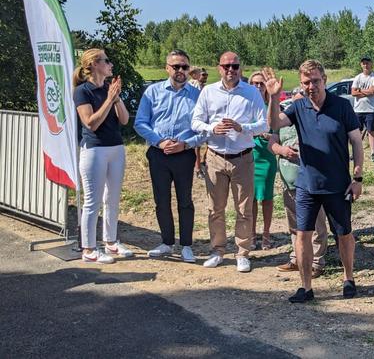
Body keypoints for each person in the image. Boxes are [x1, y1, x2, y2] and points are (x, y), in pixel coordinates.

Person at [266, 60, 363, 303]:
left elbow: (357, 143)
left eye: (316, 81)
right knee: (303, 235)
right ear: (301, 84)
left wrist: (358, 177)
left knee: (344, 233)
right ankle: (306, 287)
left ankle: (348, 278)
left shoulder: (341, 106)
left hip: (338, 184)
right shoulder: (298, 107)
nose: (312, 86)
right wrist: (273, 98)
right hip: (307, 184)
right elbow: (273, 124)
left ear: (325, 80)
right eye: (306, 82)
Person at [191, 51, 268, 272]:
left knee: (244, 209)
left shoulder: (251, 92)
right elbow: (196, 122)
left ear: (240, 68)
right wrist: (211, 129)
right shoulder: (208, 91)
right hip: (215, 157)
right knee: (215, 208)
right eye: (226, 66)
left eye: (235, 66)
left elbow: (263, 125)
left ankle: (242, 253)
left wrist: (242, 127)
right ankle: (218, 250)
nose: (231, 70)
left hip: (242, 157)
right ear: (219, 68)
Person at [134, 49, 205, 263]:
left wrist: (186, 145)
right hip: (159, 154)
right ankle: (166, 242)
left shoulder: (198, 96)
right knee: (161, 200)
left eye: (184, 67)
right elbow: (140, 123)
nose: (181, 71)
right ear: (167, 68)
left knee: (185, 201)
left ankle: (186, 245)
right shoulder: (152, 92)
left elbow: (203, 130)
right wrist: (159, 141)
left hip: (184, 155)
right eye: (176, 67)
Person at [72, 48, 131, 264]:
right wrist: (109, 99)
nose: (111, 65)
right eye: (107, 61)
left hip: (116, 148)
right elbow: (91, 123)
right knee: (93, 201)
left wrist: (116, 98)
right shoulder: (82, 91)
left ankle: (111, 242)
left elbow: (124, 120)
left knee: (112, 198)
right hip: (94, 150)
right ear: (95, 64)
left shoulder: (109, 89)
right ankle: (88, 248)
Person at [269, 92, 328, 278]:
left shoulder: (314, 118)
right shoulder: (283, 122)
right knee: (295, 223)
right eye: (295, 98)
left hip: (312, 181)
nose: (298, 102)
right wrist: (282, 150)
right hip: (289, 181)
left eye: (301, 98)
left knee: (316, 225)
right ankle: (297, 258)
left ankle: (317, 261)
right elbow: (272, 142)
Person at [248, 71, 278, 250]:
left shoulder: (271, 104)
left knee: (266, 198)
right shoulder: (245, 105)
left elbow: (278, 130)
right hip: (249, 156)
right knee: (250, 198)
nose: (258, 87)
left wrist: (270, 135)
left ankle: (266, 234)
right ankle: (251, 235)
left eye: (261, 84)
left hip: (266, 157)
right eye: (254, 83)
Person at [351, 56, 374, 158]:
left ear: (371, 64)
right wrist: (367, 92)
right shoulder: (357, 77)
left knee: (371, 131)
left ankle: (373, 152)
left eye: (367, 63)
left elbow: (373, 91)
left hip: (370, 109)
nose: (365, 65)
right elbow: (353, 93)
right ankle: (356, 152)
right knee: (357, 132)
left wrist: (360, 91)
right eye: (363, 63)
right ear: (361, 65)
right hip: (358, 109)